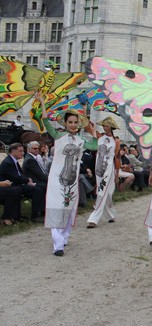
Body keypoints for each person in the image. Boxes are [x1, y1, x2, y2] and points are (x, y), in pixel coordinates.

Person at [36, 92, 98, 256]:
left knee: (69, 208)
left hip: (72, 181)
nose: (73, 124)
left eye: (75, 122)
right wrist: (42, 102)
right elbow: (45, 121)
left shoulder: (81, 141)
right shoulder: (58, 136)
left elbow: (95, 146)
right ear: (65, 123)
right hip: (57, 179)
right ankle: (58, 245)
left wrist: (91, 129)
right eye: (70, 122)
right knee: (56, 207)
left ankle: (64, 237)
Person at [86, 117, 121, 228]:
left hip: (109, 168)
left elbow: (117, 157)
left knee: (104, 192)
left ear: (111, 127)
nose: (104, 127)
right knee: (106, 192)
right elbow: (87, 128)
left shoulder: (116, 141)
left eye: (106, 125)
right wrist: (85, 111)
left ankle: (94, 218)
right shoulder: (99, 137)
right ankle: (109, 215)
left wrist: (116, 173)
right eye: (104, 125)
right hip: (98, 167)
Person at [0, 143, 45, 221]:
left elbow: (19, 174)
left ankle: (39, 212)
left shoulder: (13, 161)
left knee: (39, 188)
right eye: (20, 151)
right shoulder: (8, 162)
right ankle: (35, 215)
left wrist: (27, 179)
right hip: (11, 185)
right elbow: (14, 176)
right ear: (13, 151)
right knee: (37, 190)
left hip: (17, 184)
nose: (23, 153)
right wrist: (27, 180)